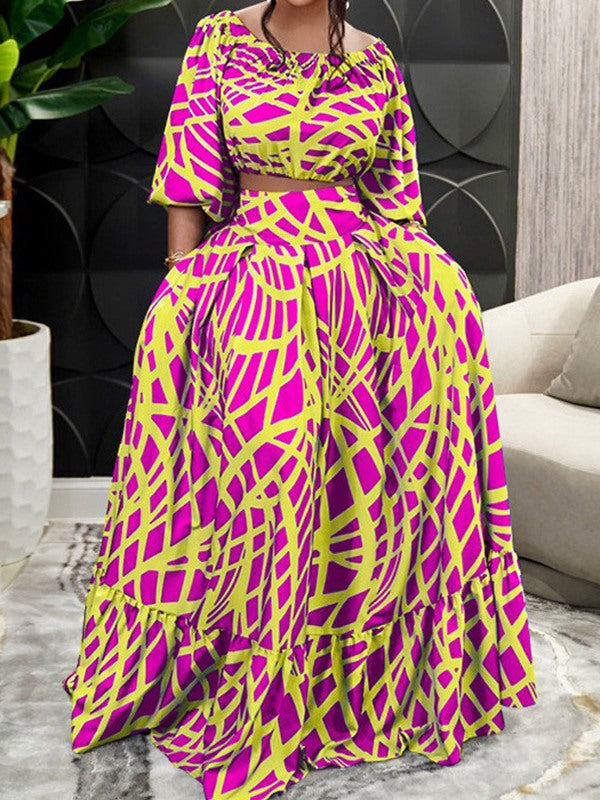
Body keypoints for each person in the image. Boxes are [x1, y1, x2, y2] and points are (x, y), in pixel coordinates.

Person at [62, 2, 538, 798]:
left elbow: (396, 200)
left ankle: (353, 685)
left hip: (358, 288)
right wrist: (181, 281)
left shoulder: (375, 60)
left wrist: (433, 287)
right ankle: (252, 679)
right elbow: (188, 176)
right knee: (269, 487)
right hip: (254, 282)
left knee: (356, 489)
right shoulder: (219, 41)